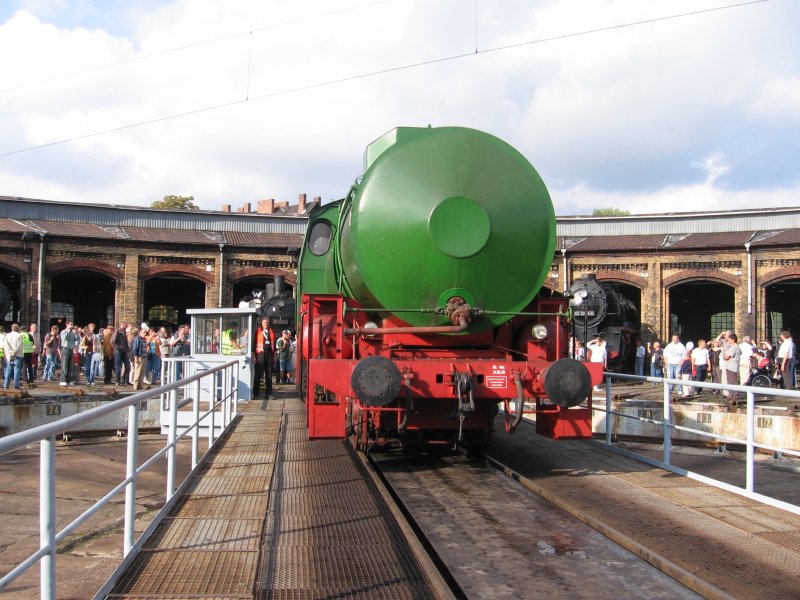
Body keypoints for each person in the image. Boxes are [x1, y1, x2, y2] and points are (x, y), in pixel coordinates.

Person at [253, 318, 275, 399]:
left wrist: (274, 355)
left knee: (269, 375)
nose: (266, 324)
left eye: (267, 322)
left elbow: (274, 343)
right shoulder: (257, 331)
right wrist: (254, 355)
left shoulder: (271, 331)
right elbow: (254, 343)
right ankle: (256, 394)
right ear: (262, 323)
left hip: (269, 355)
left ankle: (269, 394)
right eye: (264, 322)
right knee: (258, 375)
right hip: (260, 355)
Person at [719, 332, 741, 402]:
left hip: (732, 367)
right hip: (729, 366)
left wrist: (723, 354)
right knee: (730, 381)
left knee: (733, 381)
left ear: (733, 339)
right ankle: (731, 394)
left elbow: (726, 357)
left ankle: (735, 395)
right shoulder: (733, 347)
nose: (728, 341)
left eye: (729, 339)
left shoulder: (734, 347)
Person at [59, 320, 81, 386]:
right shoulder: (63, 331)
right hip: (65, 349)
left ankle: (69, 380)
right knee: (64, 365)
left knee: (70, 366)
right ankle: (63, 380)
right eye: (70, 324)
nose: (71, 326)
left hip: (71, 349)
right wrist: (68, 331)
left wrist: (76, 333)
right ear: (67, 325)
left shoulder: (73, 332)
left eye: (72, 324)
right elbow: (63, 338)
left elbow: (77, 339)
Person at [2, 323, 24, 390]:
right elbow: (19, 346)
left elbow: (5, 345)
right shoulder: (19, 336)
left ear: (12, 328)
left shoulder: (7, 336)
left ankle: (6, 385)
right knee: (16, 370)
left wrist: (10, 353)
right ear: (18, 329)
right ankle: (16, 385)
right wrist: (14, 353)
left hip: (9, 356)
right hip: (17, 355)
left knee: (8, 370)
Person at [111, 321, 131, 386]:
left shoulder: (124, 332)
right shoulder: (117, 331)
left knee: (127, 365)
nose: (126, 327)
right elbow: (112, 341)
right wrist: (117, 348)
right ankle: (117, 381)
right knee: (118, 366)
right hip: (118, 351)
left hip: (124, 351)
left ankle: (124, 380)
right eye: (125, 326)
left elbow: (125, 342)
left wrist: (127, 349)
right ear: (122, 325)